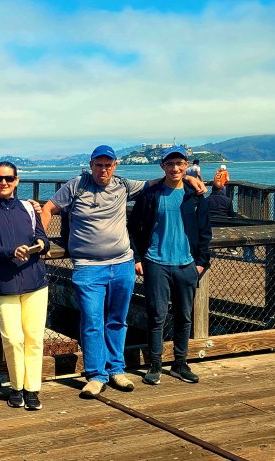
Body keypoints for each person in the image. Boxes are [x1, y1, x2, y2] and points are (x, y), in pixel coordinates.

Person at [40, 145, 205, 399]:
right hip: (88, 266)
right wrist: (42, 241)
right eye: (98, 165)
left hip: (122, 265)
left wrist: (190, 178)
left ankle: (116, 369)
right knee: (92, 321)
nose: (103, 170)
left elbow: (160, 181)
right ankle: (96, 375)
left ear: (115, 165)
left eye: (108, 165)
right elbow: (48, 209)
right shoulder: (77, 185)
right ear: (91, 165)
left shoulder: (123, 185)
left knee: (118, 320)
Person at [128, 146, 212, 386]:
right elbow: (133, 228)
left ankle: (180, 363)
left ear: (186, 166)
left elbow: (205, 231)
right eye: (170, 164)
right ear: (162, 167)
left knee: (184, 316)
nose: (175, 168)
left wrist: (200, 264)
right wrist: (137, 258)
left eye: (179, 164)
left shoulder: (194, 195)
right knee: (157, 316)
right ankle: (155, 364)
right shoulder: (150, 195)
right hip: (156, 262)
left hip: (186, 265)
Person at [0, 162, 50, 411]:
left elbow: (42, 236)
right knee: (12, 338)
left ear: (17, 180)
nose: (4, 183)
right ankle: (16, 387)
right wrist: (10, 252)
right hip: (3, 283)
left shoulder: (28, 208)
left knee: (34, 338)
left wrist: (41, 244)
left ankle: (32, 389)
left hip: (34, 281)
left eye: (8, 178)